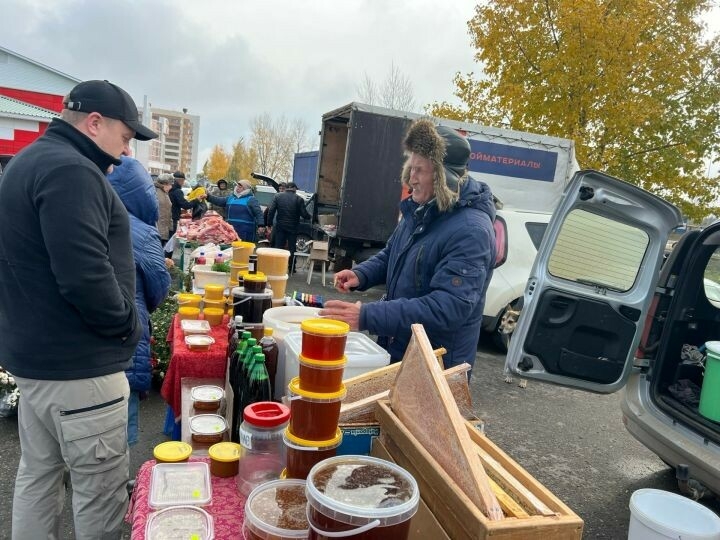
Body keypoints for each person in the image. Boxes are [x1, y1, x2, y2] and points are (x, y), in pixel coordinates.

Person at [0, 79, 156, 539]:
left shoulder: (31, 161)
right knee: (101, 494)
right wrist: (129, 325)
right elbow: (85, 276)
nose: (126, 152)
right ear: (94, 123)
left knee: (39, 475)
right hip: (79, 372)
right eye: (126, 138)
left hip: (40, 362)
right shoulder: (73, 171)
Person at [320, 119, 496, 370]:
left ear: (443, 178)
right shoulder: (422, 209)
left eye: (420, 170)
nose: (410, 179)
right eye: (410, 168)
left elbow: (446, 308)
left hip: (436, 368)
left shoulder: (471, 231)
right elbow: (392, 252)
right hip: (401, 350)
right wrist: (361, 274)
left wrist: (367, 316)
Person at [108, 157, 171, 448]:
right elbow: (159, 284)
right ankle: (118, 482)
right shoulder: (142, 231)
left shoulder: (84, 215)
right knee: (123, 411)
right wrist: (143, 306)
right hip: (127, 332)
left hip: (77, 346)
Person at [267, 181, 311, 273]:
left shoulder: (277, 196)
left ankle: (275, 267)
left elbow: (271, 211)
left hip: (280, 226)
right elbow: (304, 214)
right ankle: (291, 268)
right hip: (293, 227)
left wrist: (269, 224)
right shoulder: (299, 199)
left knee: (278, 247)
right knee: (291, 248)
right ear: (294, 189)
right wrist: (311, 217)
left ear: (286, 188)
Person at [168, 170, 204, 235]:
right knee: (170, 237)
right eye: (183, 181)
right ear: (181, 180)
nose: (183, 183)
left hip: (167, 217)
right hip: (173, 218)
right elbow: (185, 205)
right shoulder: (177, 191)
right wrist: (197, 200)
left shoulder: (169, 188)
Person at [154, 173, 173, 246]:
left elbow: (168, 210)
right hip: (158, 228)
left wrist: (171, 228)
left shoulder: (164, 192)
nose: (171, 186)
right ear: (164, 183)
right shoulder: (156, 191)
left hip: (164, 228)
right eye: (170, 183)